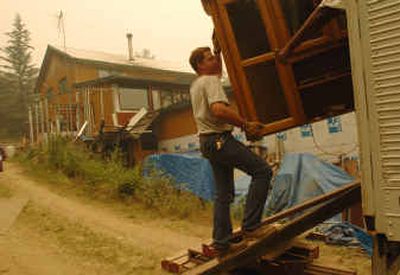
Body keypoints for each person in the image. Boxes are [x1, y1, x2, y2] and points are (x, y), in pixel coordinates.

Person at [189, 46, 272, 255]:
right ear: (200, 65)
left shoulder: (197, 84)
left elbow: (216, 72)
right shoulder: (210, 81)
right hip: (220, 140)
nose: (215, 62)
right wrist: (245, 124)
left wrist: (217, 52)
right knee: (262, 171)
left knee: (223, 194)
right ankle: (252, 226)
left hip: (207, 142)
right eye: (209, 59)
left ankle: (221, 243)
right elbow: (218, 110)